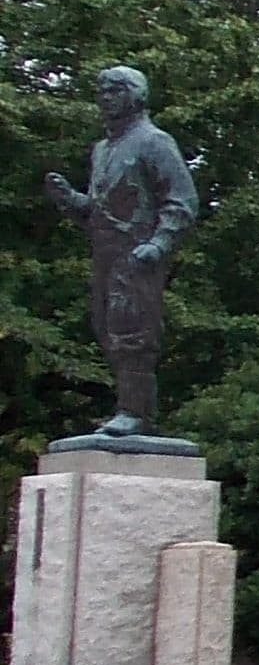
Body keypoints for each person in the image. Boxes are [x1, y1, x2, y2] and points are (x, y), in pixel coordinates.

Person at [43, 65, 198, 437]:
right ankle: (127, 409)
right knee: (107, 329)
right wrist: (71, 200)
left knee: (132, 330)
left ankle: (137, 414)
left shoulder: (154, 142)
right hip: (106, 253)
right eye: (101, 91)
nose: (104, 97)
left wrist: (159, 243)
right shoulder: (102, 149)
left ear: (135, 95)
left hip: (137, 252)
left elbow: (182, 200)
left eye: (113, 90)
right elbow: (100, 211)